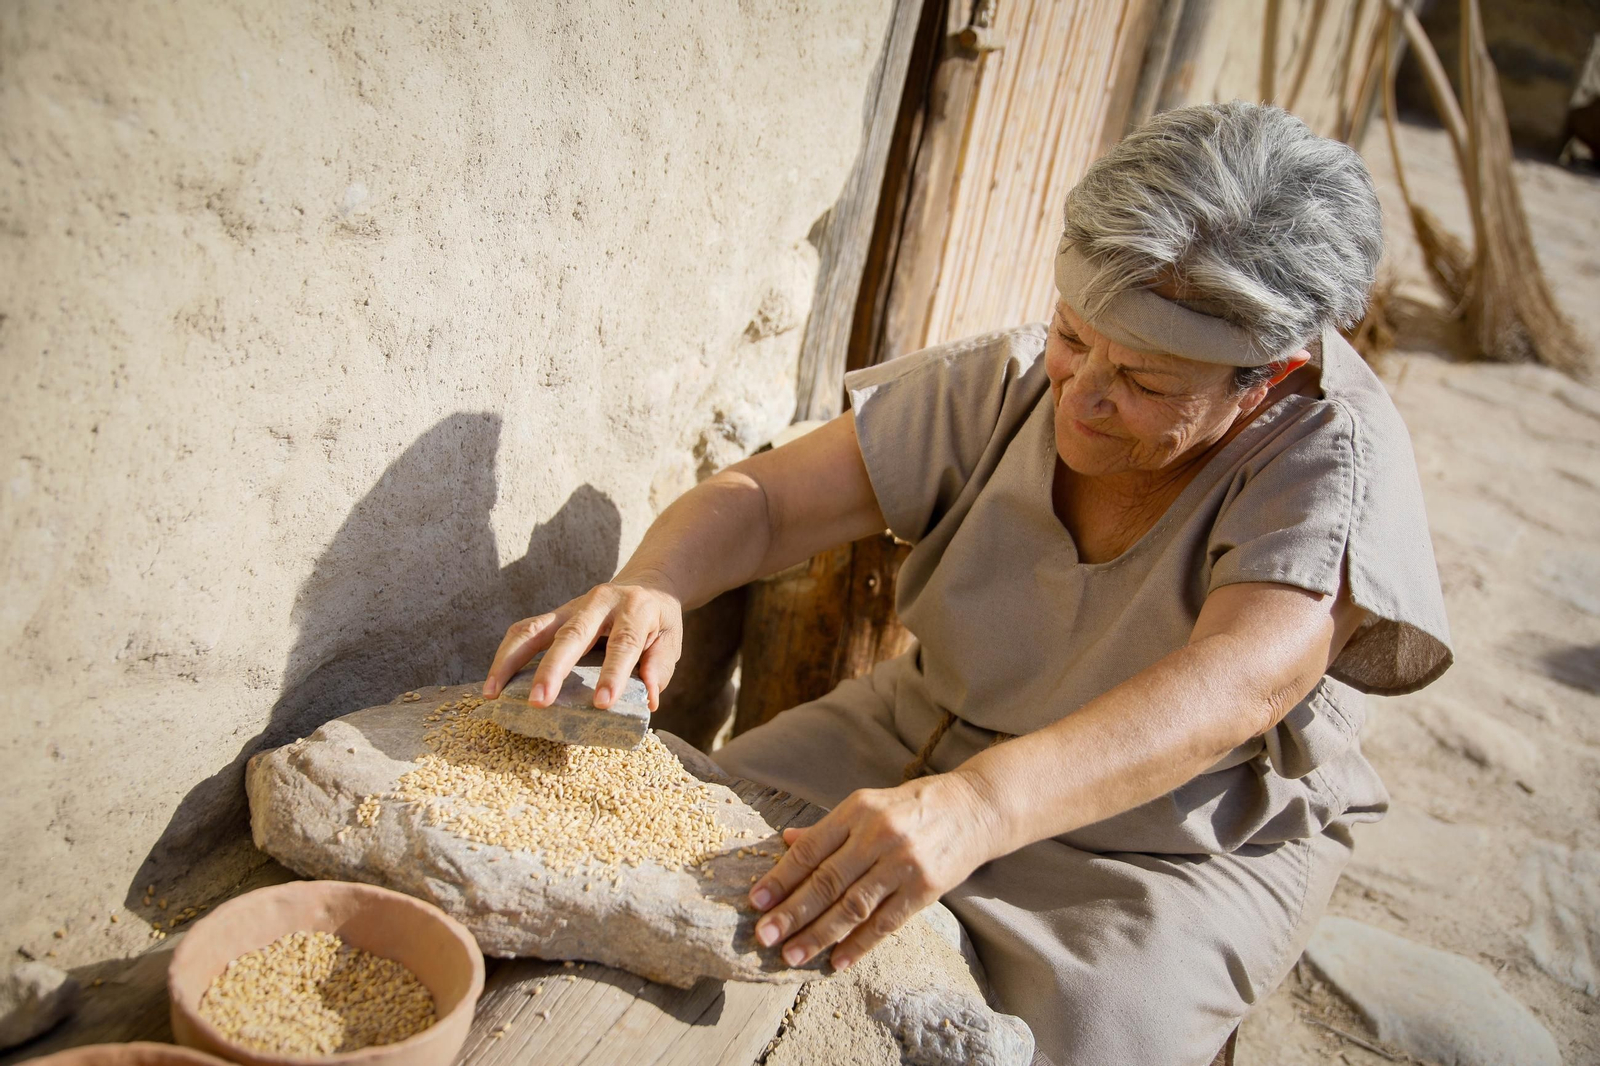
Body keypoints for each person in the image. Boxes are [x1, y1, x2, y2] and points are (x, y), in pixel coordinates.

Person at [482, 102, 1452, 1065]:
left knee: (1092, 1035)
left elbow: (1237, 683)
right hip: (919, 731)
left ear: (1267, 376)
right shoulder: (1015, 379)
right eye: (1074, 335)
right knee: (679, 867)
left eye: (1147, 381)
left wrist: (978, 808)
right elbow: (764, 502)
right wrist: (654, 580)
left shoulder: (1327, 462)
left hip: (1174, 841)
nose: (1081, 393)